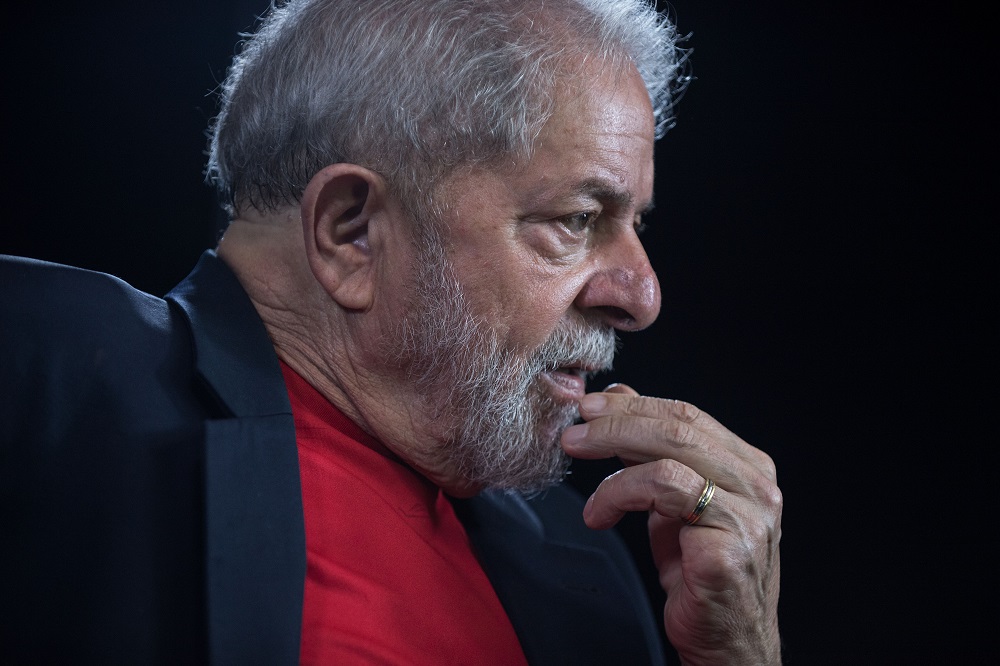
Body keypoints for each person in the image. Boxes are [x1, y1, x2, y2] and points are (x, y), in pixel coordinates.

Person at [0, 0, 782, 663]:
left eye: (634, 226)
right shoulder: (38, 357)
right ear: (352, 232)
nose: (642, 295)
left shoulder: (592, 575)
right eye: (578, 220)